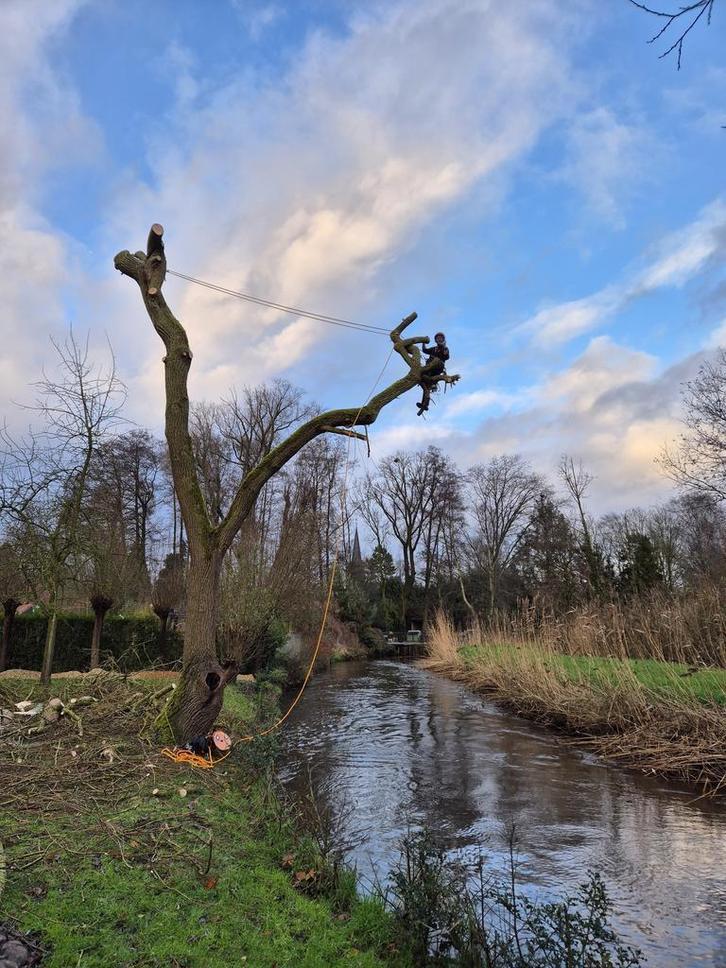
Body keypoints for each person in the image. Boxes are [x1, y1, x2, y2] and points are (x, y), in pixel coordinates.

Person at [416, 331, 449, 416]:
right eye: (437, 338)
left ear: (443, 339)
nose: (439, 339)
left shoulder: (444, 348)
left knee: (432, 363)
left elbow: (446, 356)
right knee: (426, 385)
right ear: (435, 340)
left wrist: (444, 350)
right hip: (430, 369)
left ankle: (433, 383)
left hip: (438, 367)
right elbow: (424, 350)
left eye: (440, 338)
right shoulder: (433, 349)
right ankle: (424, 404)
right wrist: (423, 342)